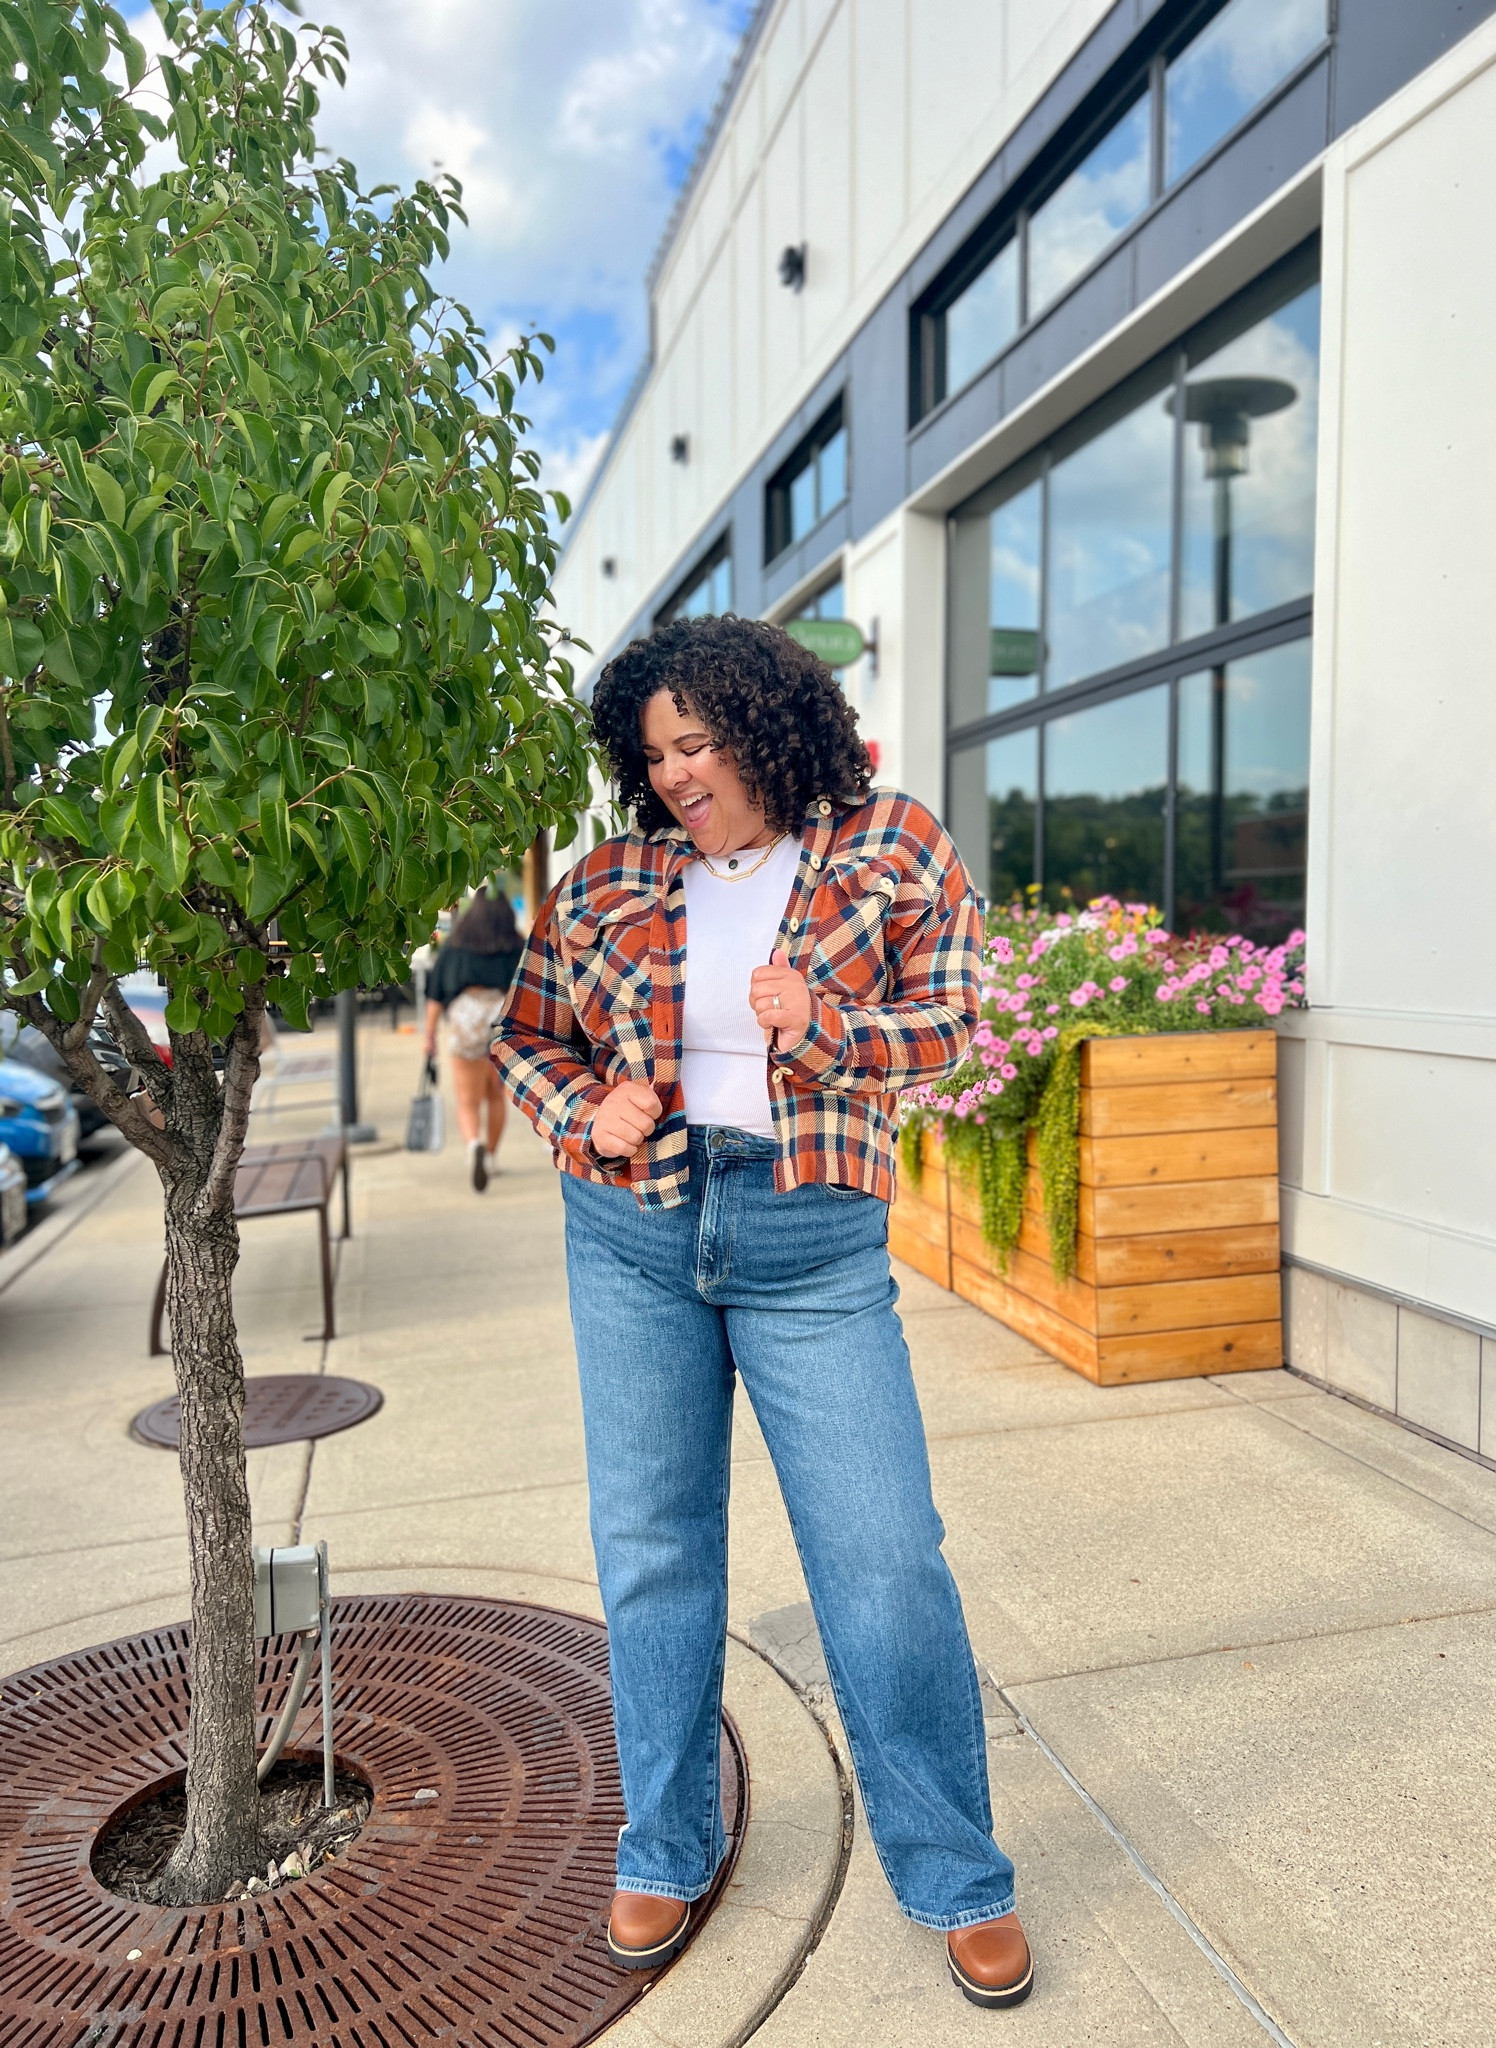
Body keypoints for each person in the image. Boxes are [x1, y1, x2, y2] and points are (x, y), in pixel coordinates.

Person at [491, 615, 1032, 2010]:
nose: (675, 772)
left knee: (885, 1556)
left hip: (810, 1236)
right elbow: (528, 1031)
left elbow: (960, 1022)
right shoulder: (610, 874)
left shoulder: (891, 843)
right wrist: (583, 1101)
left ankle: (957, 1871)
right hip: (635, 1230)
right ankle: (666, 1843)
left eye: (699, 741)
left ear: (771, 727)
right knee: (656, 1551)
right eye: (655, 750)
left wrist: (833, 1027)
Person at [423, 887, 523, 1190]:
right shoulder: (515, 945)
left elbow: (435, 995)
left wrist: (428, 1037)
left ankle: (473, 1146)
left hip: (466, 1018)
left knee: (467, 1100)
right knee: (495, 1095)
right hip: (500, 1019)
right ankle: (491, 1156)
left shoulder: (456, 946)